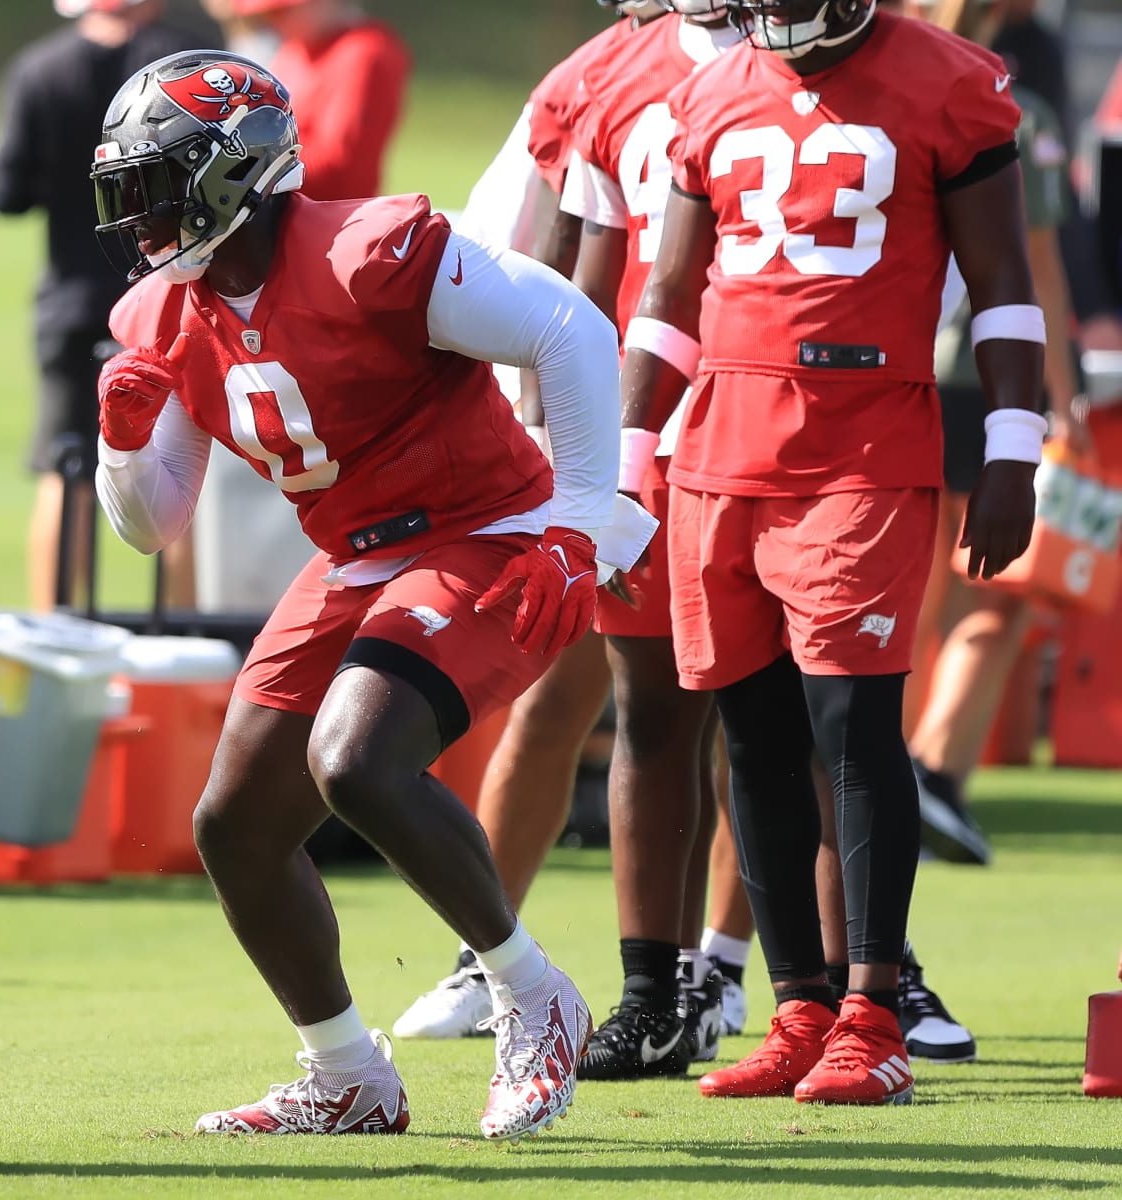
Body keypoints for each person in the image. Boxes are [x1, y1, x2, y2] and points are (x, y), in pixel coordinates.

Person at [90, 50, 653, 1138]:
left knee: (355, 759)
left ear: (231, 172)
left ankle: (534, 996)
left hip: (487, 531)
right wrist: (122, 447)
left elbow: (571, 329)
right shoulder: (161, 315)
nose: (142, 220)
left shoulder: (370, 253)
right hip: (355, 554)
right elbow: (151, 524)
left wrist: (582, 524)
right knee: (235, 825)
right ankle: (346, 1072)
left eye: (158, 185)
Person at [626, 0, 1043, 1104]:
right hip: (720, 442)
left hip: (864, 437)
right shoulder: (713, 86)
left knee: (853, 726)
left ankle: (874, 1013)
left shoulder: (952, 80)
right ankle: (799, 1009)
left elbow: (1003, 282)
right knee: (753, 738)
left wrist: (1013, 448)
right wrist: (626, 450)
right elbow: (670, 293)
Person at [391, 0, 667, 1046]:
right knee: (562, 698)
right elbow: (511, 253)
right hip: (609, 425)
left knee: (753, 712)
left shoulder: (806, 67)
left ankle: (750, 972)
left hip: (746, 413)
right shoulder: (587, 77)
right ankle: (484, 956)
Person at [551, 0, 743, 1080]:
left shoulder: (844, 67)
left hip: (794, 432)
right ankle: (650, 991)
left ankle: (825, 986)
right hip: (648, 443)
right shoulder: (614, 79)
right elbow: (582, 285)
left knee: (795, 729)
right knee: (651, 714)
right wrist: (565, 450)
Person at [904, 0, 1081, 868]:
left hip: (900, 375)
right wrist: (1067, 391)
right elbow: (1035, 264)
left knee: (908, 593)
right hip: (988, 376)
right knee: (1000, 597)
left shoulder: (880, 82)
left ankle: (878, 776)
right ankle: (932, 774)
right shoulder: (1008, 100)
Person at [0, 0, 199, 612]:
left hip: (71, 300)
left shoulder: (39, 68)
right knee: (182, 470)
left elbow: (8, 193)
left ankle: (57, 629)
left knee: (65, 470)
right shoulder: (179, 66)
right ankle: (183, 639)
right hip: (167, 296)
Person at [227, 0, 410, 202]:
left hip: (332, 219)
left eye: (281, 11)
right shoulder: (294, 50)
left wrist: (240, 160)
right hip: (287, 211)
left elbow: (337, 170)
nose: (271, 22)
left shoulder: (364, 52)